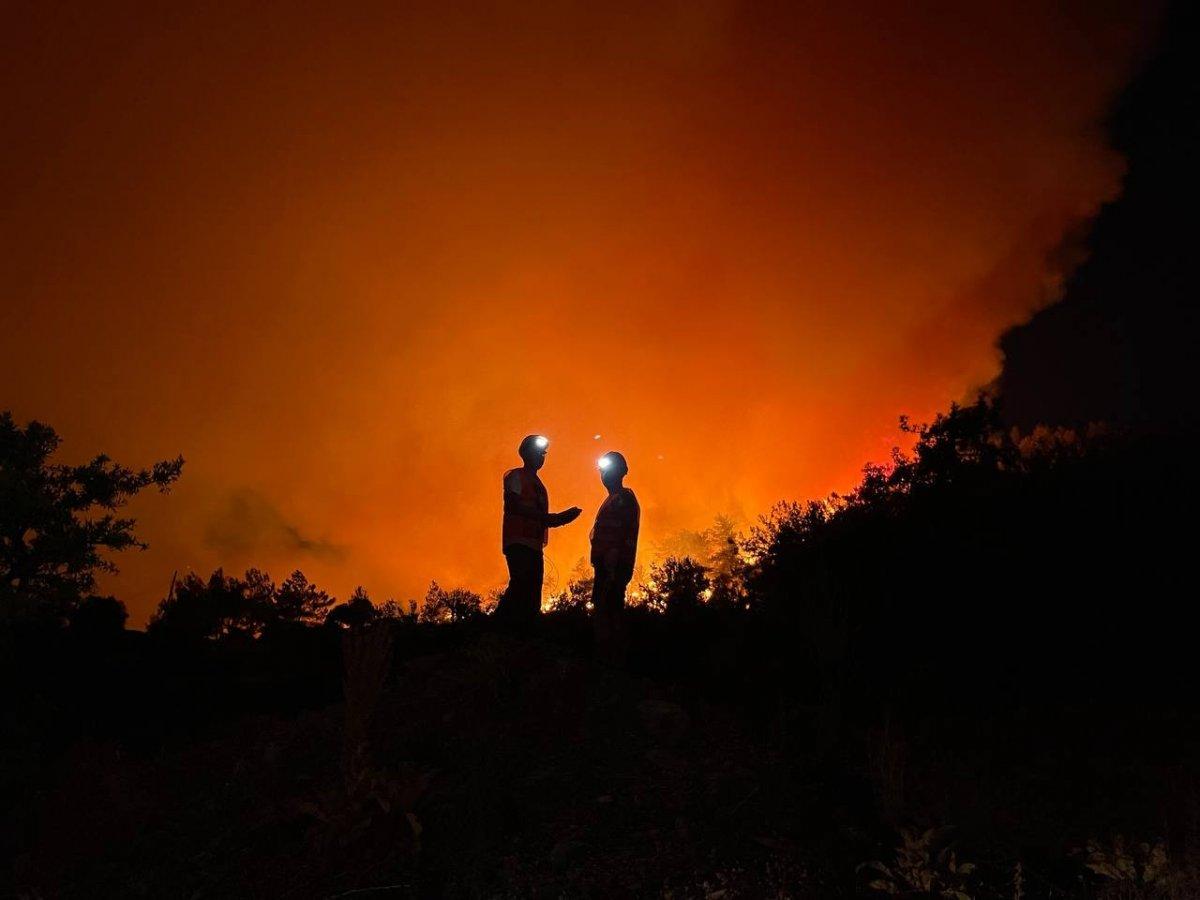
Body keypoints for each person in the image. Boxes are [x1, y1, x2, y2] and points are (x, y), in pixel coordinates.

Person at [494, 434, 581, 626]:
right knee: (521, 585)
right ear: (525, 453)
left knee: (532, 591)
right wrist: (553, 519)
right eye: (538, 453)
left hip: (533, 544)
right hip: (518, 541)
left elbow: (538, 515)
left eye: (543, 453)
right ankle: (498, 627)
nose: (542, 457)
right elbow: (513, 506)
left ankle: (523, 631)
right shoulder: (516, 476)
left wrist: (559, 519)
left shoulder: (537, 483)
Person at [590, 451, 639, 659]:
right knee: (605, 607)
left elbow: (624, 531)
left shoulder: (624, 498)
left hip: (613, 565)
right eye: (603, 471)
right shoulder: (612, 499)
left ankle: (611, 656)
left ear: (622, 472)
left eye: (609, 471)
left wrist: (614, 557)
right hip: (606, 564)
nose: (604, 476)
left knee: (609, 608)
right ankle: (609, 653)